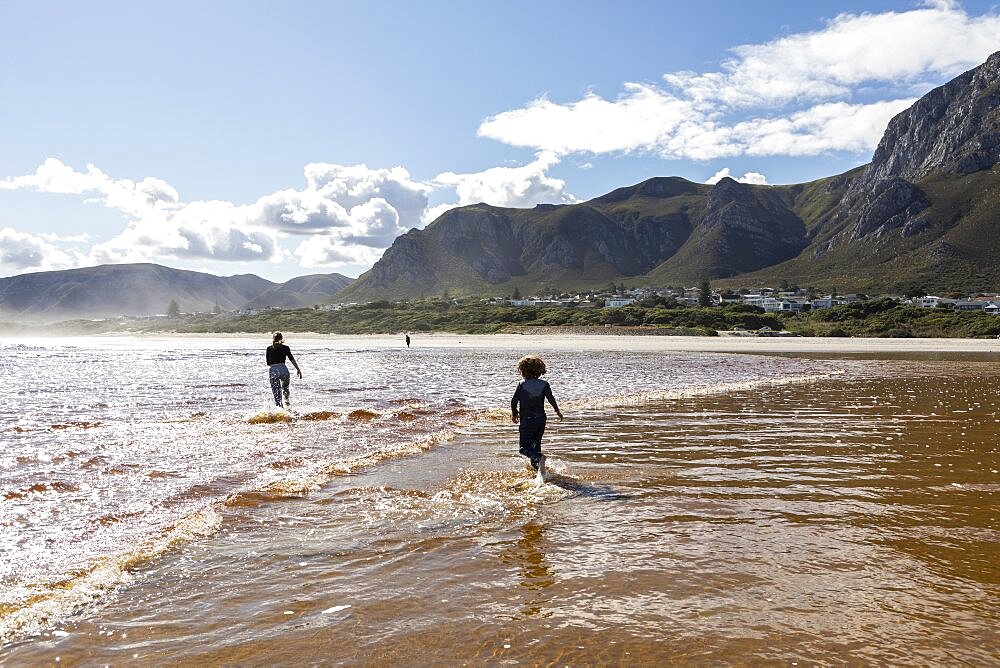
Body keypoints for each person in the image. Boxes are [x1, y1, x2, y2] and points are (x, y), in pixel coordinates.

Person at [510, 355, 562, 475]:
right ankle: (540, 473)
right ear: (539, 370)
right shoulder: (544, 384)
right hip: (541, 420)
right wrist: (557, 411)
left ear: (522, 371)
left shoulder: (522, 384)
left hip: (527, 421)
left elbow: (513, 401)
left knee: (524, 449)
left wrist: (514, 414)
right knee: (535, 447)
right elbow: (551, 399)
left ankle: (540, 458)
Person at [266, 332, 302, 408]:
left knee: (277, 394)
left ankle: (280, 410)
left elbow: (268, 363)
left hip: (273, 370)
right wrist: (298, 369)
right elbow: (291, 358)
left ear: (273, 339)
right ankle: (287, 404)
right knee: (285, 389)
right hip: (283, 370)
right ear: (281, 339)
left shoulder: (269, 349)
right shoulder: (286, 348)